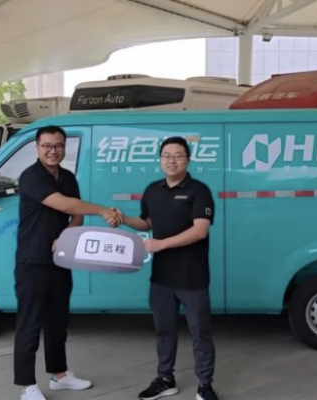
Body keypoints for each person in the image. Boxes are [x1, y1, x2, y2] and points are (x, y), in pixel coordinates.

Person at [14, 125, 122, 400]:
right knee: (30, 324)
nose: (53, 151)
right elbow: (64, 205)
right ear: (37, 148)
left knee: (58, 321)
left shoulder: (68, 177)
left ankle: (59, 375)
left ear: (64, 147)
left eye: (58, 145)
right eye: (47, 146)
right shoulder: (30, 177)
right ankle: (27, 386)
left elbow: (77, 216)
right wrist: (103, 210)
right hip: (32, 261)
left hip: (60, 259)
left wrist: (65, 235)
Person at [116, 136, 219, 400]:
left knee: (200, 332)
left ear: (188, 160)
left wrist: (161, 244)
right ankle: (165, 379)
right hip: (161, 277)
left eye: (178, 155)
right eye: (166, 156)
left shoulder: (199, 191)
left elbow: (199, 230)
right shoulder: (153, 190)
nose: (171, 160)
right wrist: (123, 219)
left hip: (192, 277)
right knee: (164, 330)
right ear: (160, 160)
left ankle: (205, 385)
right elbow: (147, 222)